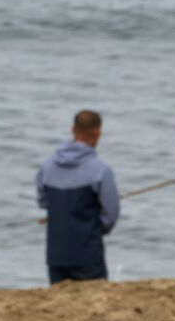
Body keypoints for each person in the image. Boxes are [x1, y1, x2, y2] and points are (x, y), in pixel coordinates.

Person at [36, 110, 120, 285]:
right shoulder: (100, 170)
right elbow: (111, 213)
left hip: (56, 253)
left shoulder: (47, 166)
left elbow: (43, 202)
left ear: (73, 130)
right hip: (88, 254)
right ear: (98, 133)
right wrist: (96, 229)